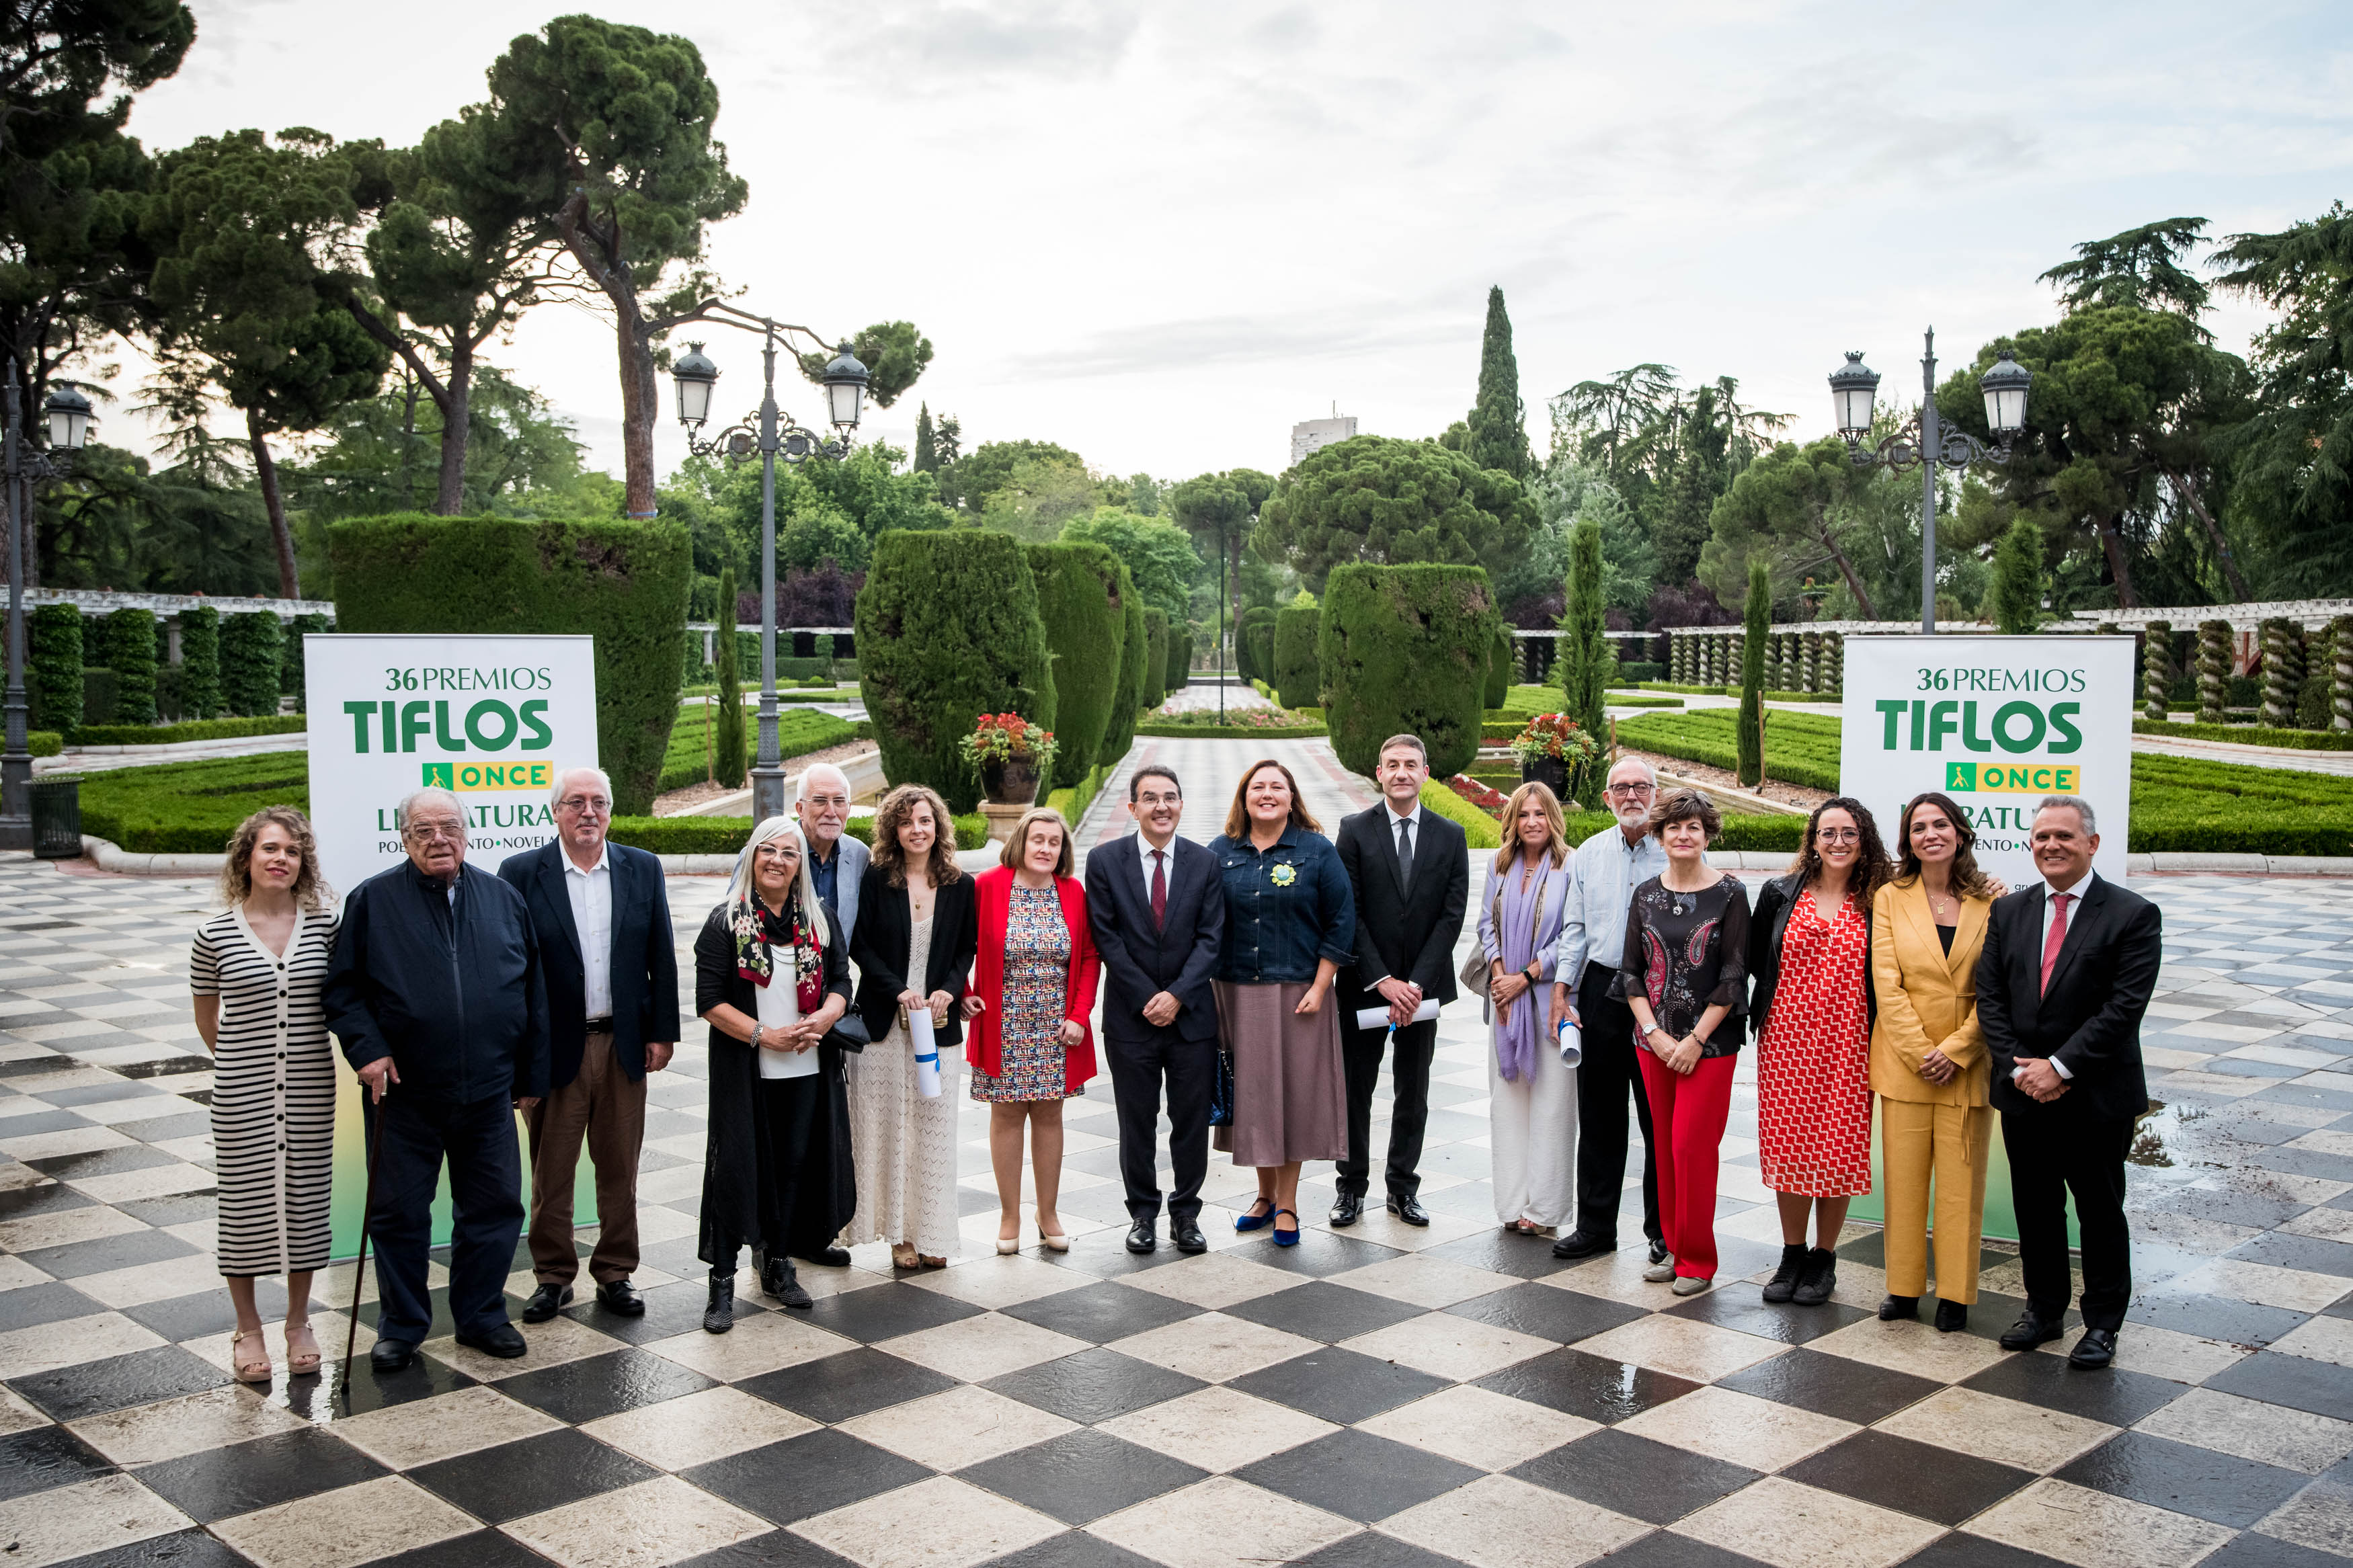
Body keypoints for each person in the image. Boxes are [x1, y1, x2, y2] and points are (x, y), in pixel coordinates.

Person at [324, 788, 547, 1370]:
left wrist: (528, 1074)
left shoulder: (503, 898)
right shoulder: (372, 901)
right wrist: (367, 1052)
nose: (438, 839)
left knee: (495, 1207)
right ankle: (401, 1325)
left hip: (490, 1091)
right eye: (423, 830)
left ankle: (481, 1315)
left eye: (448, 826)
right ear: (403, 838)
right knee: (398, 1213)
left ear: (467, 832)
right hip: (404, 1094)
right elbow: (343, 992)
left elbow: (532, 992)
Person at [1977, 796, 2160, 1370]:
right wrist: (2020, 1066)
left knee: (2100, 1211)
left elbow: (2123, 1008)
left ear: (2092, 844)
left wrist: (2057, 1068)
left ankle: (2103, 1322)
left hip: (2095, 1095)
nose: (2051, 845)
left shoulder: (2132, 914)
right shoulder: (2009, 913)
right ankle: (2045, 1309)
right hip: (2022, 1092)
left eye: (2064, 836)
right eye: (2041, 837)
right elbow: (1991, 998)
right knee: (2036, 1208)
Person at [499, 766, 680, 1325]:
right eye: (575, 802)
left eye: (598, 802)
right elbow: (512, 969)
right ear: (555, 812)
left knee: (620, 1166)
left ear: (609, 810)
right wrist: (518, 1060)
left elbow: (661, 953)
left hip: (622, 1044)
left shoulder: (641, 868)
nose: (587, 812)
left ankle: (616, 1271)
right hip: (554, 1052)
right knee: (552, 1171)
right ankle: (553, 1276)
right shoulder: (522, 873)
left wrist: (662, 1031)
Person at [192, 808, 339, 1384]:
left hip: (309, 1084)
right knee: (246, 1208)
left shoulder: (325, 927)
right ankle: (248, 1327)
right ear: (246, 857)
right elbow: (209, 1020)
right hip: (241, 1091)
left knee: (305, 1201)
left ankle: (299, 1321)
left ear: (303, 864)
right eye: (270, 848)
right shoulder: (214, 934)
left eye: (293, 851)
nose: (281, 859)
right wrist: (243, 1063)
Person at [693, 817, 855, 1327]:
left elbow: (840, 980)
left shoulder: (818, 919)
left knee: (790, 1166)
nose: (778, 861)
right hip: (748, 1067)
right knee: (735, 1167)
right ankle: (722, 1281)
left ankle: (778, 1263)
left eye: (789, 853)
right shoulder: (726, 920)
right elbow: (710, 1001)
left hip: (806, 1067)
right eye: (768, 850)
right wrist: (767, 1035)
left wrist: (826, 1016)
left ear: (800, 865)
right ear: (752, 857)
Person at [1747, 796, 1887, 1309]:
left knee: (1839, 1148)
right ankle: (1791, 1252)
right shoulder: (1780, 892)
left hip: (1851, 1042)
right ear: (1813, 838)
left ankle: (1824, 1256)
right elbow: (1761, 958)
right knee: (1789, 1147)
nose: (1838, 842)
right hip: (1785, 1040)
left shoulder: (1881, 897)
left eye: (1849, 833)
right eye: (1828, 833)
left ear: (1864, 838)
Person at [1211, 759, 1355, 1246]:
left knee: (1291, 1096)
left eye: (1278, 786)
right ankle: (1264, 1195)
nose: (1268, 793)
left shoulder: (1316, 851)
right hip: (1235, 992)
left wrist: (1320, 985)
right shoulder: (1220, 853)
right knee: (1255, 1098)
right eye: (1258, 786)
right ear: (1244, 797)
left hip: (1299, 993)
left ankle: (1289, 1202)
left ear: (1292, 797)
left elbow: (1341, 920)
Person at [1872, 791, 1999, 1333]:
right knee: (1903, 1182)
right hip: (1907, 1061)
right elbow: (1886, 981)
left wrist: (1956, 1050)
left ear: (1960, 833)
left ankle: (1955, 1293)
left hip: (1968, 1061)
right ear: (1908, 841)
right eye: (1919, 827)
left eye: (1940, 824)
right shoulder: (1890, 896)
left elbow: (1997, 989)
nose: (1931, 834)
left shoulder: (1993, 900)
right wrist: (1922, 1049)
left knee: (1960, 1186)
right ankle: (1903, 1287)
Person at [1086, 764, 1226, 1255]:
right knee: (1137, 1121)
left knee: (1190, 1121)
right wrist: (1149, 996)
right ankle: (1142, 1213)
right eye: (1150, 798)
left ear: (1181, 805)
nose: (1161, 805)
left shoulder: (1206, 862)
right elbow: (1107, 937)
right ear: (1133, 808)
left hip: (1192, 1020)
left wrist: (1179, 995)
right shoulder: (1104, 861)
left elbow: (1212, 939)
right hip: (1130, 1018)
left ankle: (1186, 1214)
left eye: (1170, 797)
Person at [1616, 788, 1749, 1296]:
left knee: (1694, 1146)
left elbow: (1736, 975)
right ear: (1660, 834)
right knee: (1666, 1147)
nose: (1683, 834)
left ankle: (1699, 1259)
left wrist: (1694, 1039)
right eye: (1674, 826)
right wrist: (1653, 1033)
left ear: (1708, 833)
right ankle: (1673, 1247)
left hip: (1709, 1045)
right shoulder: (1646, 894)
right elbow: (1631, 971)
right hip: (1652, 1041)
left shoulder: (1731, 893)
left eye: (1693, 826)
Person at [1333, 734, 1469, 1227]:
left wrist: (1413, 984)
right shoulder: (1352, 831)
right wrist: (1383, 980)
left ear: (1425, 773)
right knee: (1356, 1090)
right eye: (1392, 764)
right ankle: (1349, 1188)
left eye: (1411, 764)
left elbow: (1452, 918)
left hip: (1422, 992)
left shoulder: (1450, 835)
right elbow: (1349, 912)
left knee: (1414, 1091)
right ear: (1379, 772)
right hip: (1364, 988)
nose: (1401, 772)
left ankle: (1402, 1188)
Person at [846, 784, 979, 1269]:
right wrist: (897, 989)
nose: (917, 830)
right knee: (889, 1131)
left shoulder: (962, 884)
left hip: (937, 1027)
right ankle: (900, 1234)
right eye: (906, 822)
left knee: (934, 1130)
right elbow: (860, 945)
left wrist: (949, 988)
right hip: (885, 1026)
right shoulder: (878, 879)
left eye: (925, 820)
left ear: (938, 825)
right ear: (893, 830)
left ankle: (932, 1232)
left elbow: (967, 946)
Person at [1546, 757, 1670, 1263]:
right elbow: (1574, 929)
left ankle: (1663, 1231)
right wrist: (1562, 991)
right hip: (1600, 988)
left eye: (1641, 786)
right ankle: (1596, 1226)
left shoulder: (1676, 850)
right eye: (1620, 787)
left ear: (1657, 794)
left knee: (1659, 1116)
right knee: (1598, 1114)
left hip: (1660, 993)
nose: (1631, 795)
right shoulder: (1589, 855)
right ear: (1606, 798)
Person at [969, 807, 1101, 1253]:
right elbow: (956, 942)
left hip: (1056, 1025)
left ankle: (1048, 1212)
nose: (1046, 848)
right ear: (1021, 842)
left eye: (1055, 841)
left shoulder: (1073, 891)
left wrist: (1080, 1015)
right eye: (1038, 839)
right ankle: (1010, 1215)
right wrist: (964, 990)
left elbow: (1088, 957)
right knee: (1006, 1114)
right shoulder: (987, 885)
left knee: (1049, 1114)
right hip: (1001, 1022)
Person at [1479, 782, 1577, 1236]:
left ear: (1552, 818)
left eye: (1540, 813)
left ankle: (1545, 1208)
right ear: (1513, 820)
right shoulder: (1499, 865)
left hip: (1549, 1001)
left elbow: (1576, 932)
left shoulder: (1569, 865)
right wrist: (1500, 975)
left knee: (1552, 1108)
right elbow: (1485, 923)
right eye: (1523, 814)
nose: (1532, 822)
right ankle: (1512, 1202)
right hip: (1504, 1003)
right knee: (1508, 1105)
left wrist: (1527, 975)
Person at [797, 763, 869, 952]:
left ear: (849, 808)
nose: (831, 812)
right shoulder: (769, 853)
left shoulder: (859, 855)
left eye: (839, 801)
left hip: (836, 980)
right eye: (820, 801)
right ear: (800, 809)